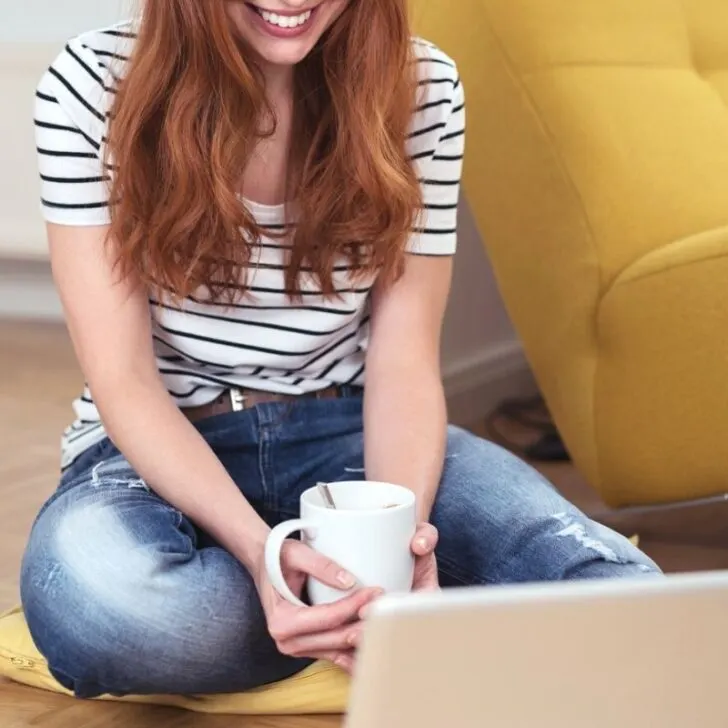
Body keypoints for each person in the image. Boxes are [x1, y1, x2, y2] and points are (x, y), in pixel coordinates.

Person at [20, 0, 660, 700]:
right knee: (119, 607)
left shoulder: (423, 87)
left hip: (350, 436)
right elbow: (125, 381)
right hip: (154, 451)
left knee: (619, 591)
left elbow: (404, 360)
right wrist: (259, 553)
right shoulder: (89, 83)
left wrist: (400, 546)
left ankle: (339, 610)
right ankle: (365, 616)